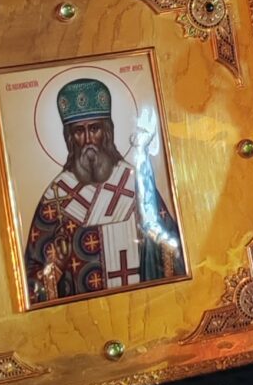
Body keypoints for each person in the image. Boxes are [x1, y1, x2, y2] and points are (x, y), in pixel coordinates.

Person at [23, 76, 182, 302]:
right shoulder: (56, 196)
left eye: (95, 129)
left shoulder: (135, 182)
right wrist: (54, 268)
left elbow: (172, 245)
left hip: (145, 306)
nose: (88, 139)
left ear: (107, 132)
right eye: (79, 131)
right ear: (69, 138)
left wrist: (157, 245)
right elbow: (30, 277)